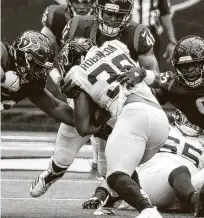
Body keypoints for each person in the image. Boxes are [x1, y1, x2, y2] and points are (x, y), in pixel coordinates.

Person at [30, 0, 159, 199]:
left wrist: (141, 73)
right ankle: (53, 172)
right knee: (64, 154)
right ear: (98, 10)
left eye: (118, 15)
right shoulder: (77, 25)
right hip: (83, 96)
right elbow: (59, 57)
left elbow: (154, 71)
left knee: (107, 164)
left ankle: (114, 195)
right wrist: (61, 78)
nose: (111, 19)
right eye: (108, 13)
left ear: (127, 16)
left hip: (115, 100)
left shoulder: (137, 33)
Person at [62, 37, 169, 218]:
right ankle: (112, 201)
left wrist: (71, 94)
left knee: (115, 174)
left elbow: (83, 128)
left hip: (134, 116)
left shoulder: (75, 72)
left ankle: (148, 210)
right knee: (123, 162)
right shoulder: (115, 46)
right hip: (159, 118)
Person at [114, 35, 204, 213]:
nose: (190, 72)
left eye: (194, 65)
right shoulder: (175, 85)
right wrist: (139, 73)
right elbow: (156, 80)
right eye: (184, 67)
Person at [83, 110, 204, 217]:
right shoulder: (162, 129)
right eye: (190, 115)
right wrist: (99, 195)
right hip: (153, 182)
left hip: (189, 188)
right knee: (179, 169)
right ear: (178, 114)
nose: (193, 120)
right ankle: (197, 202)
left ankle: (200, 203)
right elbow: (123, 167)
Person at [39, 0, 101, 184]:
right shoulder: (57, 16)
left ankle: (99, 161)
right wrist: (57, 78)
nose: (82, 5)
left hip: (97, 73)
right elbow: (42, 51)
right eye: (77, 0)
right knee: (77, 117)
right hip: (69, 73)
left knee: (100, 114)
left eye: (87, 1)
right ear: (68, 0)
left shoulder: (102, 20)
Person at [1, 30, 75, 126]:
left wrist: (93, 124)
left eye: (43, 70)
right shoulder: (4, 52)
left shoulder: (29, 83)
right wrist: (3, 77)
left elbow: (56, 107)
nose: (40, 74)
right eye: (37, 67)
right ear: (24, 58)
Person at [108, 0, 177, 70]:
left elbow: (165, 12)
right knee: (122, 71)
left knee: (151, 73)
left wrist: (172, 41)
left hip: (150, 35)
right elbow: (106, 9)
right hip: (123, 34)